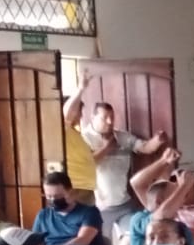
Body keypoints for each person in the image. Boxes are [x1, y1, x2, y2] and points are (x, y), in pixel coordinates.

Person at [63, 86, 167, 230]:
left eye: (112, 117)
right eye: (104, 118)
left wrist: (157, 141)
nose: (110, 122)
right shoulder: (83, 139)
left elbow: (144, 147)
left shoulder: (122, 136)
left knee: (131, 235)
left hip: (124, 204)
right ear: (93, 118)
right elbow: (88, 164)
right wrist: (106, 148)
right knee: (101, 242)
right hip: (99, 207)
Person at [127, 148, 194, 245]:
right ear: (160, 201)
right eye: (175, 196)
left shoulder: (181, 228)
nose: (180, 201)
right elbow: (161, 217)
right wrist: (184, 185)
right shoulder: (139, 220)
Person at [32, 172, 106, 245]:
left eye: (58, 196)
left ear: (71, 193)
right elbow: (34, 244)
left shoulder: (89, 212)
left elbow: (83, 240)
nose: (53, 200)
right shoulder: (43, 215)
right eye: (49, 196)